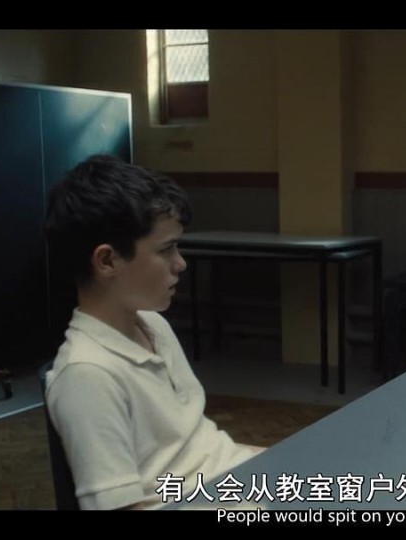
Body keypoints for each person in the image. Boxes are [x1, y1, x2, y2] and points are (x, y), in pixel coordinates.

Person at [43, 155, 262, 510]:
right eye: (166, 249)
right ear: (107, 261)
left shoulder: (153, 323)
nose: (181, 263)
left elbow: (196, 449)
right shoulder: (87, 375)